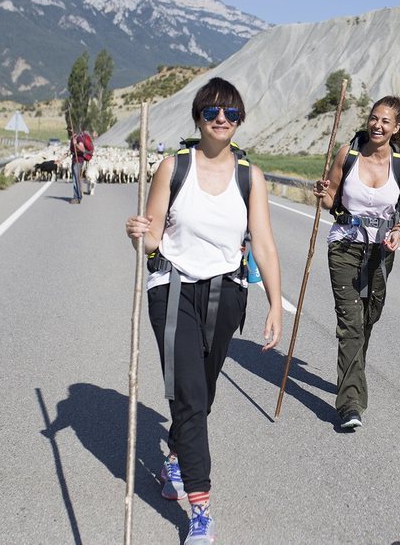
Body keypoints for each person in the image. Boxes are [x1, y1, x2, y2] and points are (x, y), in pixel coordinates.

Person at [125, 77, 283, 544]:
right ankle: (200, 511)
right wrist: (138, 232)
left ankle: (176, 455)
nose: (222, 120)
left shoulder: (249, 176)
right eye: (213, 111)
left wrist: (276, 304)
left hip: (227, 293)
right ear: (198, 116)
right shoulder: (172, 168)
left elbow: (265, 244)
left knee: (204, 391)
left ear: (239, 122)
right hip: (171, 289)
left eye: (231, 114)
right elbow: (152, 237)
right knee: (190, 395)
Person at [312, 96, 400, 430]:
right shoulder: (349, 154)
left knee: (368, 319)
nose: (377, 125)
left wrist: (399, 230)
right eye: (374, 118)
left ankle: (352, 380)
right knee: (351, 323)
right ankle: (349, 404)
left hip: (380, 251)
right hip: (344, 245)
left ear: (397, 127)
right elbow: (331, 198)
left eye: (386, 121)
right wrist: (322, 193)